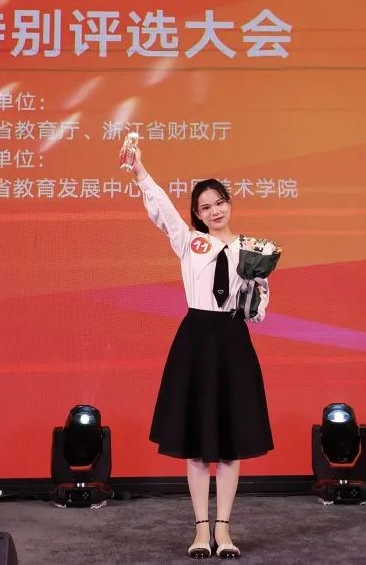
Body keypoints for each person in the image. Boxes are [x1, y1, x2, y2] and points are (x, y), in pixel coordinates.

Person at [123, 146, 273, 559]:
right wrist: (140, 172)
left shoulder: (253, 249)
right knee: (195, 442)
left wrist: (256, 289)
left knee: (229, 442)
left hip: (233, 342)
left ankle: (224, 530)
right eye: (205, 207)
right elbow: (162, 210)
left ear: (229, 203)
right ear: (197, 214)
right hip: (195, 340)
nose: (214, 211)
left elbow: (258, 312)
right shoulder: (190, 242)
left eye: (219, 202)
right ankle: (200, 531)